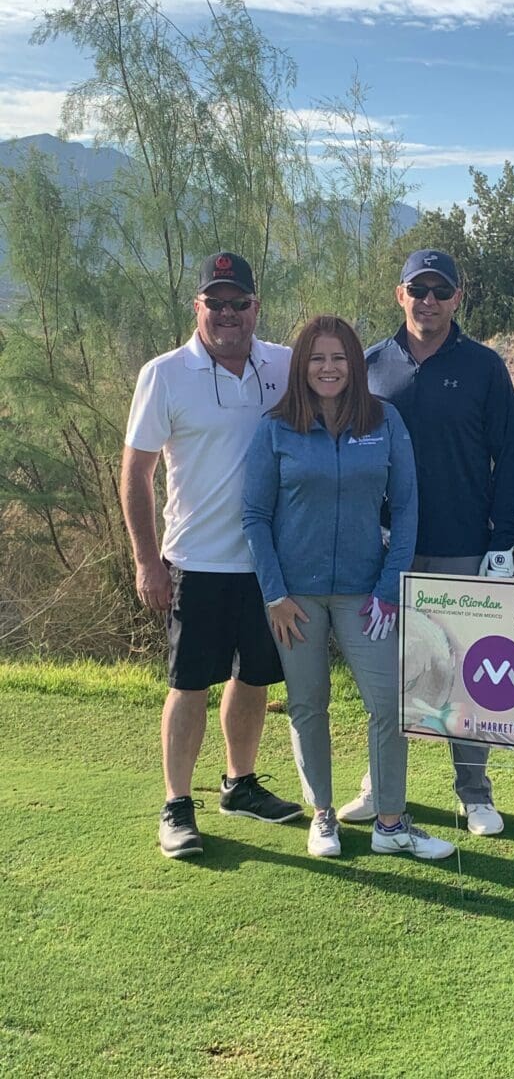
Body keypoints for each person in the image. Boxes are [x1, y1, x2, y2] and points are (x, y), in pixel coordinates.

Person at [242, 314, 456, 861]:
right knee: (308, 705)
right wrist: (274, 594)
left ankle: (389, 822)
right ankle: (323, 815)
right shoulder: (276, 427)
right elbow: (254, 516)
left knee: (388, 706)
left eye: (339, 358)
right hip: (296, 599)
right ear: (301, 367)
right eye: (317, 358)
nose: (329, 368)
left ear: (354, 365)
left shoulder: (384, 421)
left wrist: (389, 587)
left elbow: (407, 508)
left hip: (368, 594)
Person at [121, 251, 303, 859]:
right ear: (197, 307)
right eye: (215, 302)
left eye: (239, 303)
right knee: (189, 683)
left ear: (256, 308)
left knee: (253, 677)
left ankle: (239, 782)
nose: (227, 314)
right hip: (195, 561)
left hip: (268, 564)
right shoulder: (165, 373)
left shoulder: (284, 363)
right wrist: (147, 561)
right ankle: (176, 804)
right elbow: (136, 474)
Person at [336, 250, 514, 836]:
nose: (429, 300)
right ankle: (380, 784)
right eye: (419, 290)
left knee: (462, 671)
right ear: (401, 295)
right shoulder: (369, 366)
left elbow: (510, 457)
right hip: (383, 548)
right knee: (386, 672)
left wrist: (504, 542)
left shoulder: (484, 367)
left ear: (457, 299)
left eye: (441, 290)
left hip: (461, 542)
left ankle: (474, 792)